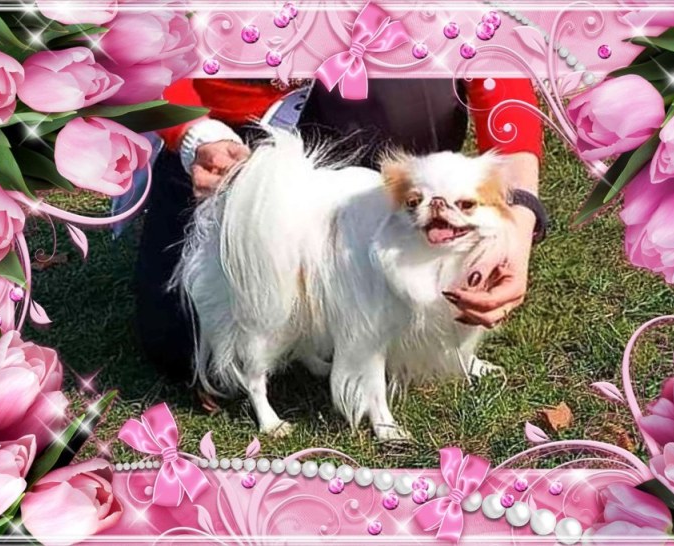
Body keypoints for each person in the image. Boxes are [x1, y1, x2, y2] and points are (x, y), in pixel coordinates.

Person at [136, 78, 544, 378]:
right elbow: (136, 52)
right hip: (232, 129)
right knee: (185, 345)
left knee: (407, 85)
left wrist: (520, 216)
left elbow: (497, 59)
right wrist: (194, 134)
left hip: (370, 102)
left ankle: (392, 238)